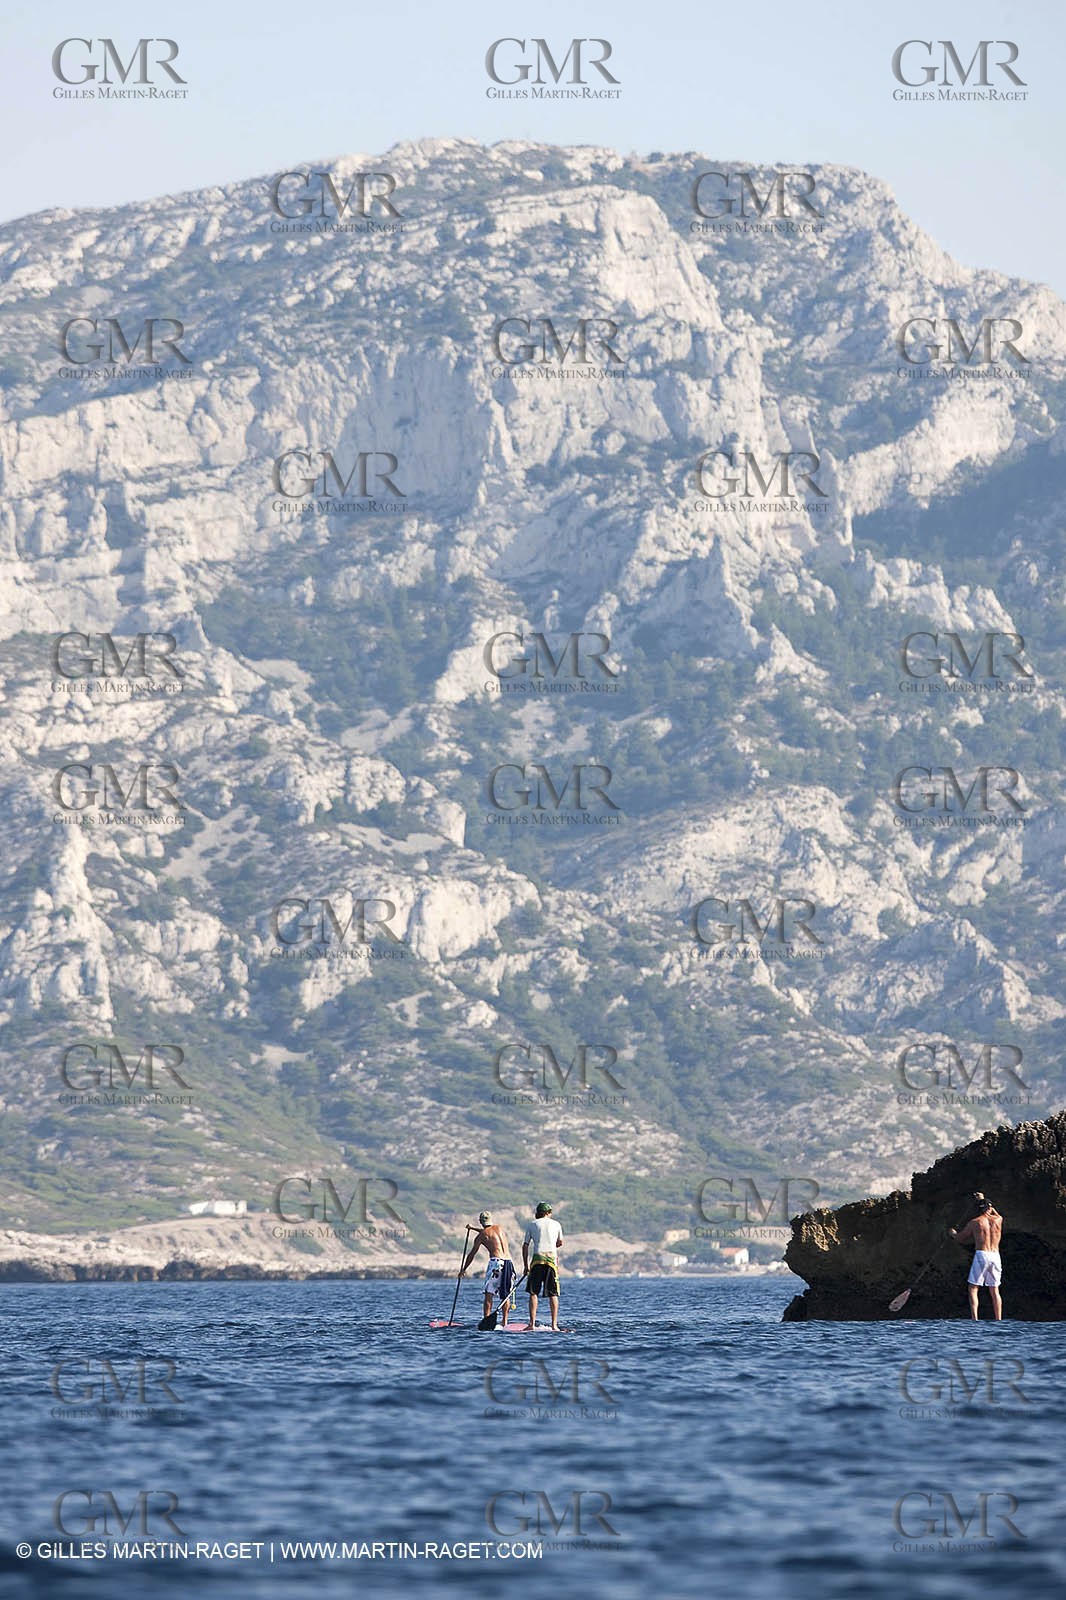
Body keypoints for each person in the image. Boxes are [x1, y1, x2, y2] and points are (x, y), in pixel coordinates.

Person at [949, 1192, 1004, 1321]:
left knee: (973, 1288)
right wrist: (984, 1199)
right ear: (990, 1208)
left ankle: (975, 1319)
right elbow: (994, 1211)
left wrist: (953, 1234)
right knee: (994, 1290)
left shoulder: (975, 1222)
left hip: (982, 1254)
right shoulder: (999, 1219)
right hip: (996, 1256)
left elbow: (960, 1238)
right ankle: (999, 1319)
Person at [462, 1212, 516, 1327]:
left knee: (488, 1293)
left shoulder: (481, 1236)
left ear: (481, 1222)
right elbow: (489, 1232)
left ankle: (486, 1320)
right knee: (505, 1294)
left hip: (496, 1263)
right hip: (509, 1263)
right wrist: (472, 1228)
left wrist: (463, 1269)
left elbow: (472, 1254)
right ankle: (505, 1321)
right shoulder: (499, 1228)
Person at [523, 1201, 563, 1331]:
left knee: (533, 1292)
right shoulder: (556, 1224)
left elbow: (525, 1245)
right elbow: (559, 1242)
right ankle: (554, 1325)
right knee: (553, 1293)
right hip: (551, 1260)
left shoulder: (532, 1224)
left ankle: (531, 1324)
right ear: (548, 1213)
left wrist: (525, 1265)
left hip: (537, 1259)